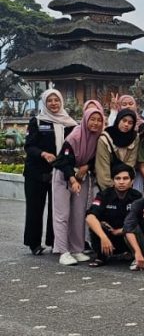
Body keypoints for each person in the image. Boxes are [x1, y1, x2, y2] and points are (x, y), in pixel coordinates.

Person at [23, 88, 77, 255]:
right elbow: (29, 146)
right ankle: (34, 244)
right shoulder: (37, 121)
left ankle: (55, 241)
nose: (53, 104)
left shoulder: (70, 124)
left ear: (61, 102)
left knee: (57, 209)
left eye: (56, 100)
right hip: (36, 173)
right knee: (35, 208)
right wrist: (43, 154)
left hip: (59, 172)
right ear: (45, 103)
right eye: (50, 101)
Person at [52, 106, 104, 265]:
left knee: (79, 214)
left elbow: (94, 159)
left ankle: (77, 249)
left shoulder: (98, 138)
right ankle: (63, 251)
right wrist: (72, 180)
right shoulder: (74, 136)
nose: (95, 123)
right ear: (85, 119)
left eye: (99, 120)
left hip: (82, 177)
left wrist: (86, 167)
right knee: (62, 215)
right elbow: (62, 161)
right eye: (92, 119)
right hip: (64, 176)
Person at [85, 163, 143, 267]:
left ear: (132, 181)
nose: (121, 182)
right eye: (118, 178)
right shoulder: (104, 195)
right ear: (112, 181)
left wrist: (120, 231)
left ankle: (131, 253)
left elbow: (140, 221)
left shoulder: (137, 196)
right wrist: (103, 237)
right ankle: (101, 257)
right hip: (107, 237)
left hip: (125, 235)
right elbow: (90, 217)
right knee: (97, 225)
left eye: (125, 178)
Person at [95, 109, 140, 191]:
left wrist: (125, 185)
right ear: (118, 120)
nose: (126, 125)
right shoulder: (105, 139)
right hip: (108, 185)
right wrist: (111, 190)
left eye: (130, 123)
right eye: (124, 120)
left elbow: (131, 163)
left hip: (126, 186)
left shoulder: (135, 137)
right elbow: (102, 168)